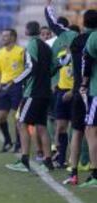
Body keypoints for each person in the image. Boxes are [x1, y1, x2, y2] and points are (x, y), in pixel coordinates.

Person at [5, 21, 54, 173]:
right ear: (39, 31)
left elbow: (31, 67)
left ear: (26, 31)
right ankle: (48, 161)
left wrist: (15, 81)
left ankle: (24, 160)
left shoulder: (32, 44)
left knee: (21, 122)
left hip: (33, 92)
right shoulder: (46, 46)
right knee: (42, 126)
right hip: (45, 91)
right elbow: (52, 67)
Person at [63, 9, 97, 185]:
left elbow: (85, 64)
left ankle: (75, 172)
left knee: (79, 132)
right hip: (88, 91)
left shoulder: (77, 41)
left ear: (83, 22)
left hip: (84, 91)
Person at [44, 0, 79, 169]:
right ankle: (61, 158)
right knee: (61, 126)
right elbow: (53, 23)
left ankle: (79, 160)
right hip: (61, 90)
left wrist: (75, 89)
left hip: (77, 92)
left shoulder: (80, 44)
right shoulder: (63, 51)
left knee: (79, 129)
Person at [0, 28, 24, 153]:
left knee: (16, 117)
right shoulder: (0, 53)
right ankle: (7, 141)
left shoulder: (21, 51)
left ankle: (18, 143)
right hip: (3, 87)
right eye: (3, 36)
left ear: (13, 37)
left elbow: (27, 70)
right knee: (1, 117)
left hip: (17, 86)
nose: (3, 38)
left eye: (6, 36)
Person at [79, 23, 97, 188]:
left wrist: (84, 83)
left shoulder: (94, 37)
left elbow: (87, 59)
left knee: (90, 130)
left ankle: (95, 173)